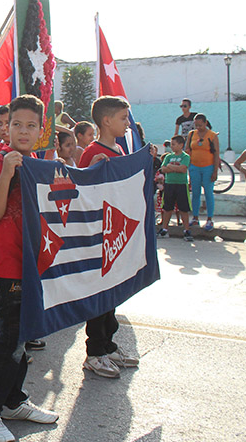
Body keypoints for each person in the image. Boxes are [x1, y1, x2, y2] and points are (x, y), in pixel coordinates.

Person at [0, 95, 58, 442]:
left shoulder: (36, 161)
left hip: (32, 266)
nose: (23, 131)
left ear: (41, 130)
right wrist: (7, 170)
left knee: (24, 334)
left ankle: (13, 399)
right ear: (5, 127)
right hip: (8, 266)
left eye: (31, 125)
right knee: (8, 337)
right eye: (16, 124)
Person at [77, 96, 142, 379]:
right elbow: (82, 190)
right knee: (99, 296)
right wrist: (94, 170)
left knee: (112, 295)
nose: (127, 124)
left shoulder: (119, 148)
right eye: (123, 118)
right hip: (99, 236)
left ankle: (108, 344)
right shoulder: (93, 152)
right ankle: (95, 352)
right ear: (106, 120)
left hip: (117, 233)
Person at [184, 113, 220, 231]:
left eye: (200, 125)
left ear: (205, 123)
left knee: (208, 193)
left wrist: (215, 171)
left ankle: (209, 219)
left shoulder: (212, 135)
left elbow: (216, 154)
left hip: (208, 167)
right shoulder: (192, 134)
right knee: (195, 193)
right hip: (194, 167)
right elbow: (187, 149)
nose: (198, 127)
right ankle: (195, 218)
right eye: (196, 125)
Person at [158, 136, 194, 242]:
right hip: (169, 184)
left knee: (183, 208)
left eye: (174, 144)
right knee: (167, 207)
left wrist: (171, 167)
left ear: (181, 145)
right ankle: (164, 229)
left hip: (181, 184)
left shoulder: (185, 156)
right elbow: (163, 169)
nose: (172, 147)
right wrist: (173, 168)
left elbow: (183, 169)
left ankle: (186, 230)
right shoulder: (168, 157)